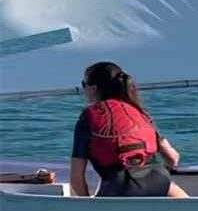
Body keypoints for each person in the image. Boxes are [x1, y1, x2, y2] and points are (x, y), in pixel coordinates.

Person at [69, 62, 188, 198]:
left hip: (120, 188)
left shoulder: (88, 118)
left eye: (84, 84)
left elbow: (76, 179)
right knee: (185, 201)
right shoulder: (139, 112)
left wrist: (89, 209)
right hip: (158, 180)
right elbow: (173, 158)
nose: (83, 89)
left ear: (93, 88)